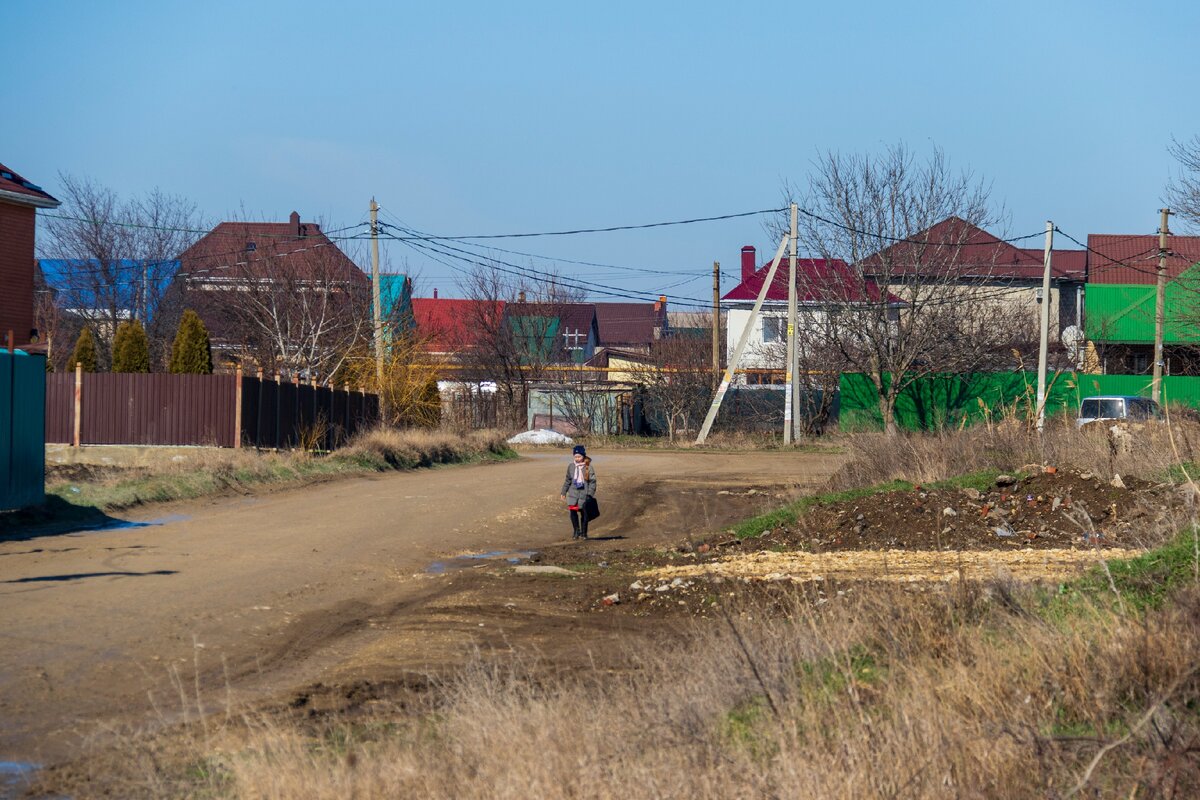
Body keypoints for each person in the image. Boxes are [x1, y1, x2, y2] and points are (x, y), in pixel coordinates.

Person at [560, 444, 596, 540]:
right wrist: (563, 492)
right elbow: (568, 480)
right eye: (575, 456)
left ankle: (584, 533)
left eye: (579, 456)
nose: (577, 458)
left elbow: (592, 482)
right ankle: (576, 531)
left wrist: (590, 494)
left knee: (584, 514)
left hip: (584, 495)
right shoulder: (571, 467)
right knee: (573, 512)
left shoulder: (588, 467)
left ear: (583, 456)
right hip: (572, 495)